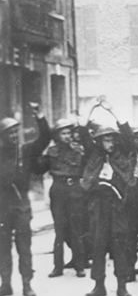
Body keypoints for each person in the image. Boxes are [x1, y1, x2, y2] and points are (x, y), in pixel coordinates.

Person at [79, 102, 136, 296]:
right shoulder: (93, 154)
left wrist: (113, 110)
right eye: (105, 140)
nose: (109, 144)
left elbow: (128, 134)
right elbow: (82, 131)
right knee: (97, 244)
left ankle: (122, 285)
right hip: (98, 204)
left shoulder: (122, 153)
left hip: (117, 204)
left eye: (112, 140)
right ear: (99, 142)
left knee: (120, 244)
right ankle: (99, 285)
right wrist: (92, 108)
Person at [0, 103, 50, 296]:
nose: (13, 137)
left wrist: (40, 117)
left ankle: (27, 284)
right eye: (9, 134)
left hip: (22, 207)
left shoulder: (26, 151)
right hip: (2, 208)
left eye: (15, 133)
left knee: (24, 247)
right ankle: (5, 284)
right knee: (3, 247)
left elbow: (45, 138)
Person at [36, 118, 87, 278]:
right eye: (63, 133)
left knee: (76, 228)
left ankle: (80, 265)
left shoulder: (78, 150)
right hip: (58, 190)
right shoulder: (51, 152)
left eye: (69, 133)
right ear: (57, 136)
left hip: (74, 190)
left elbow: (85, 169)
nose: (67, 136)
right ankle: (57, 267)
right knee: (59, 230)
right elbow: (39, 169)